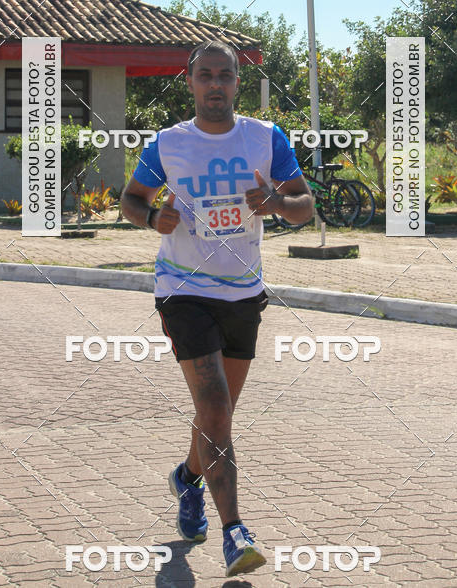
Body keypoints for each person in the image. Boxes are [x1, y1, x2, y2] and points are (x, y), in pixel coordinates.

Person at [121, 40, 313, 577]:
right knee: (215, 404)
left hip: (243, 292)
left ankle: (187, 477)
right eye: (204, 75)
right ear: (190, 82)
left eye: (224, 76)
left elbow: (304, 207)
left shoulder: (265, 138)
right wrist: (150, 219)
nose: (214, 85)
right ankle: (235, 532)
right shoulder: (169, 144)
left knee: (216, 414)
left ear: (236, 83)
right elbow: (131, 199)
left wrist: (276, 203)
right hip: (182, 289)